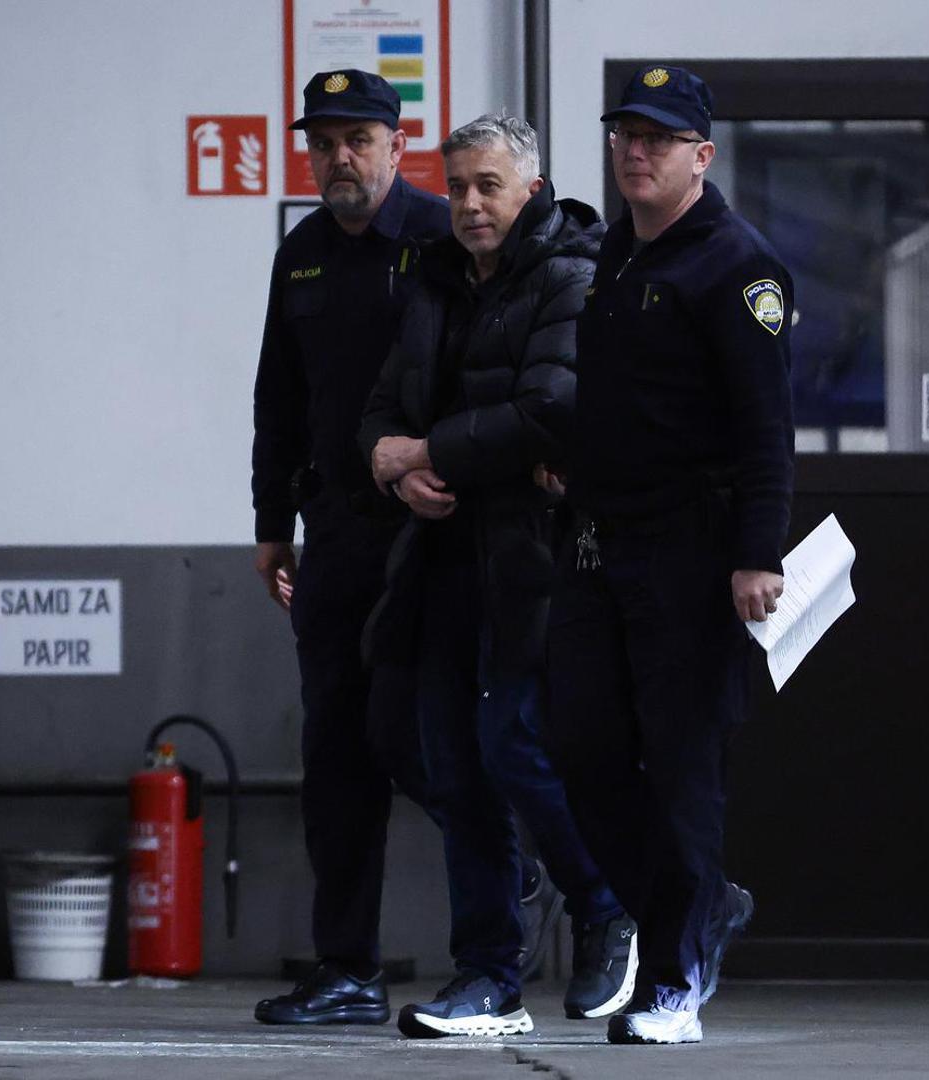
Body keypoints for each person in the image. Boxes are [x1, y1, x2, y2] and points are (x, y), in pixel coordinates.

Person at [358, 113, 637, 1038]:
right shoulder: (437, 280)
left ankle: (608, 904)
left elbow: (549, 408)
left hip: (533, 558)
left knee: (511, 742)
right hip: (440, 555)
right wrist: (392, 466)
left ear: (532, 189)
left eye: (489, 186)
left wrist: (426, 450)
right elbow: (381, 411)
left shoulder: (572, 273)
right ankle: (487, 978)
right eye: (458, 187)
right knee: (449, 763)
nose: (470, 205)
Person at [543, 65, 795, 1046]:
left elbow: (765, 426)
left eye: (657, 139)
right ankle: (701, 908)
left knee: (684, 766)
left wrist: (757, 553)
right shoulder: (618, 250)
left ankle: (674, 981)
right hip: (598, 542)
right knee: (580, 750)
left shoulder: (738, 266)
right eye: (625, 135)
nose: (635, 152)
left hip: (692, 550)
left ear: (702, 155)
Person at [249, 68, 456, 1026]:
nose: (340, 157)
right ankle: (348, 972)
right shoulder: (301, 255)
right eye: (323, 142)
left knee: (418, 736)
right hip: (333, 536)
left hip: (432, 534)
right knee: (334, 753)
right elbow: (277, 400)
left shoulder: (443, 239)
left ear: (397, 146)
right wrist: (270, 527)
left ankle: (526, 877)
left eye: (358, 140)